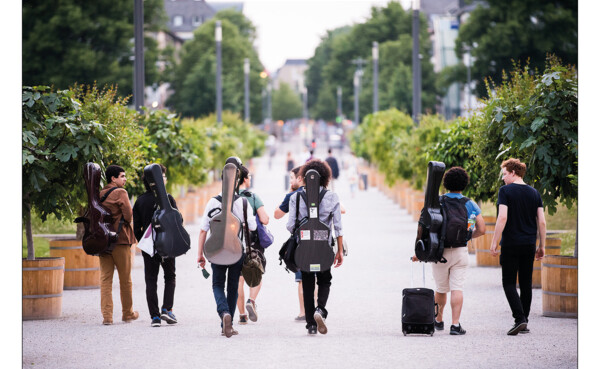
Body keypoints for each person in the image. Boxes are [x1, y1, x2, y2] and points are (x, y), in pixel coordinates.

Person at [411, 166, 485, 335]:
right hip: (460, 251)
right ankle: (456, 325)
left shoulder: (437, 201)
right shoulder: (470, 203)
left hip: (439, 252)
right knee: (457, 288)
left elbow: (424, 226)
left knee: (441, 288)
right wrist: (468, 236)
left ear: (445, 183)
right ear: (464, 184)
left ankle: (438, 320)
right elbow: (482, 229)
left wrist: (419, 252)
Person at [197, 159, 257, 338]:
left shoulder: (212, 202)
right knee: (232, 286)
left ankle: (224, 314)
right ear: (237, 181)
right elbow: (252, 227)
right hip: (236, 251)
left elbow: (203, 230)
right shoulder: (243, 203)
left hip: (215, 250)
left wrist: (200, 254)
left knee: (217, 284)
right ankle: (228, 322)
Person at [287, 159, 344, 335]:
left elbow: (290, 226)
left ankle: (310, 324)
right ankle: (320, 310)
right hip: (324, 248)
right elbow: (338, 227)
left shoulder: (295, 197)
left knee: (308, 282)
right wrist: (340, 251)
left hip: (304, 248)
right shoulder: (332, 197)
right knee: (325, 279)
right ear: (325, 177)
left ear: (304, 177)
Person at [490, 158, 546, 336]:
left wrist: (494, 241)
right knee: (526, 282)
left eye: (505, 174)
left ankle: (519, 318)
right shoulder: (534, 193)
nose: (503, 178)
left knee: (508, 283)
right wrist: (541, 246)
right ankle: (525, 321)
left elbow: (502, 217)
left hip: (511, 243)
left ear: (513, 173)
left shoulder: (505, 191)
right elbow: (542, 222)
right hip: (529, 244)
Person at [132, 164, 179, 328]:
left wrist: (144, 241)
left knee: (151, 280)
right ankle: (167, 308)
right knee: (170, 277)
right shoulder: (168, 198)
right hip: (167, 245)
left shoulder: (140, 201)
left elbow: (136, 227)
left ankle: (155, 317)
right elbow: (177, 222)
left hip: (149, 247)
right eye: (164, 177)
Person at [98, 165, 139, 325]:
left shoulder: (100, 194)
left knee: (105, 280)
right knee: (125, 279)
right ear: (113, 178)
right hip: (120, 240)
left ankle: (107, 317)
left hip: (103, 241)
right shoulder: (121, 192)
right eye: (122, 176)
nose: (125, 179)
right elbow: (128, 216)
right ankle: (127, 313)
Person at [236, 166, 270, 325]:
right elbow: (264, 219)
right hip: (252, 240)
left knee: (238, 279)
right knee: (256, 271)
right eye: (248, 176)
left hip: (234, 241)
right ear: (244, 179)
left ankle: (242, 314)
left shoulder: (229, 197)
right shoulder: (253, 197)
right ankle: (251, 300)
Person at [274, 166, 306, 321]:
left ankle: (303, 312)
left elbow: (277, 215)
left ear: (300, 178)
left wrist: (288, 193)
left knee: (301, 278)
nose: (291, 180)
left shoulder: (292, 196)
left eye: (292, 177)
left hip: (300, 242)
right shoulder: (319, 194)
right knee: (316, 275)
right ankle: (315, 308)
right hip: (319, 241)